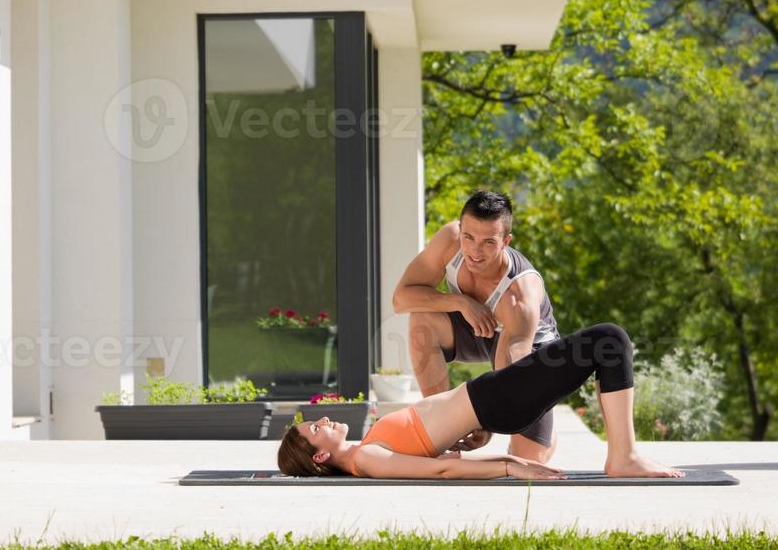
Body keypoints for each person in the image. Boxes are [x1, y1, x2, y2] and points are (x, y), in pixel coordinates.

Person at [277, 322, 685, 480]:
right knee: (609, 341)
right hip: (498, 400)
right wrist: (509, 466)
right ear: (317, 457)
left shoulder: (368, 448)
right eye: (315, 429)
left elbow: (437, 453)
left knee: (604, 347)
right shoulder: (366, 459)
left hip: (494, 401)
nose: (324, 419)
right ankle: (623, 456)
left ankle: (622, 453)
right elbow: (440, 471)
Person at [393, 189, 561, 464]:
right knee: (421, 318)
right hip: (474, 328)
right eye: (468, 237)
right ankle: (441, 426)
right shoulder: (449, 240)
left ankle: (547, 439)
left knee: (528, 460)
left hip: (527, 350)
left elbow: (511, 376)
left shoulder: (518, 294)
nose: (475, 251)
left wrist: (487, 424)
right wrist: (461, 302)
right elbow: (400, 300)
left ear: (506, 241)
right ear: (460, 229)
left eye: (488, 242)